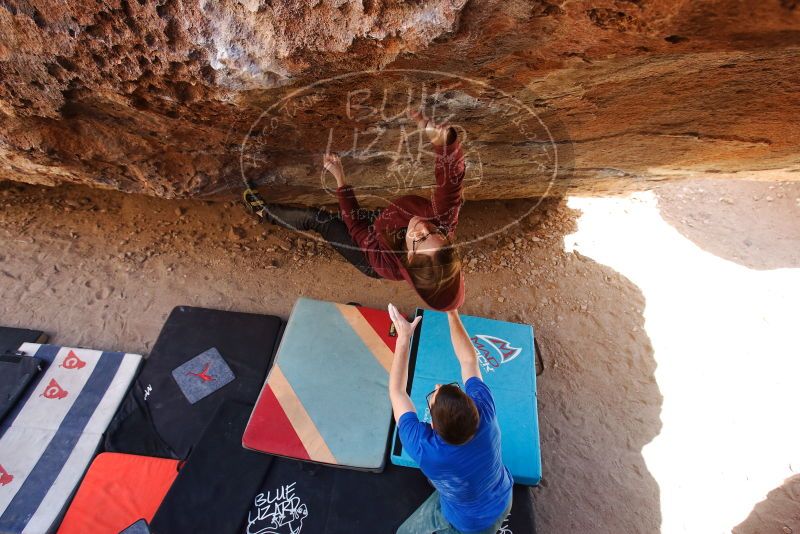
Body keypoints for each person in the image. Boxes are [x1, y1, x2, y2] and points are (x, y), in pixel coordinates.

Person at [242, 109, 466, 311]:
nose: (422, 225)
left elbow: (357, 227)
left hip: (367, 254)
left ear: (408, 255)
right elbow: (451, 182)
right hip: (386, 224)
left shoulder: (384, 263)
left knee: (320, 220)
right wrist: (444, 143)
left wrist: (340, 180)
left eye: (419, 239)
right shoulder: (441, 221)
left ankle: (265, 213)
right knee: (382, 219)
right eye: (435, 233)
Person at [386, 303, 513, 533]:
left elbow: (396, 391)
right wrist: (451, 311)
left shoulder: (424, 449)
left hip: (470, 524)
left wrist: (403, 337)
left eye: (432, 395)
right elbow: (469, 361)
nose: (436, 384)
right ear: (470, 402)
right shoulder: (485, 408)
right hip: (503, 496)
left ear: (432, 426)